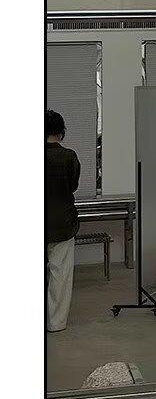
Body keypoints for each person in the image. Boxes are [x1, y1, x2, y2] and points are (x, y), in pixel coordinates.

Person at [46, 109, 80, 332]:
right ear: (61, 131)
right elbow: (73, 186)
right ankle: (56, 322)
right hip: (62, 223)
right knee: (60, 275)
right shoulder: (69, 157)